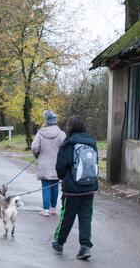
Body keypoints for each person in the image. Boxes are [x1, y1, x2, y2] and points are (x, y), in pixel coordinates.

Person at [51, 116, 99, 260]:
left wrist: (63, 178)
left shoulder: (68, 144)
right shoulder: (92, 143)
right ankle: (85, 247)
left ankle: (59, 243)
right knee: (85, 218)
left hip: (72, 189)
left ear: (70, 128)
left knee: (67, 216)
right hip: (89, 187)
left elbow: (60, 166)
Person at [31, 110, 66, 217]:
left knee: (46, 186)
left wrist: (37, 155)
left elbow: (34, 147)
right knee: (55, 186)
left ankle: (45, 210)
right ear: (55, 122)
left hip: (44, 164)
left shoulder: (41, 133)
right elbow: (65, 149)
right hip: (57, 165)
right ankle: (53, 209)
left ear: (47, 121)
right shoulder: (62, 134)